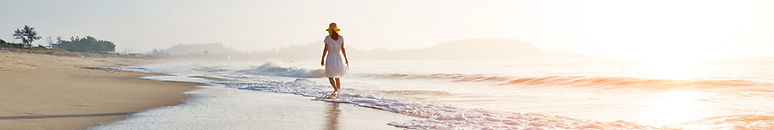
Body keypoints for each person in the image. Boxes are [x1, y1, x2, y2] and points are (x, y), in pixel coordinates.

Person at [321, 22, 349, 98]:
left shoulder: (328, 38)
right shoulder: (341, 38)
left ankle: (336, 89)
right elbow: (343, 49)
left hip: (330, 57)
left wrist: (322, 58)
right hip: (338, 57)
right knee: (337, 76)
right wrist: (346, 59)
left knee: (330, 75)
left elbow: (325, 49)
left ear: (330, 30)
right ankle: (338, 93)